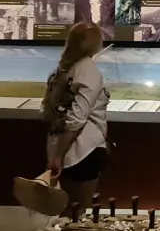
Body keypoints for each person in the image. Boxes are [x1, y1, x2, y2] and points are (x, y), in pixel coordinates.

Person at [41, 22, 110, 220]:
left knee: (66, 211)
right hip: (83, 150)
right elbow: (77, 120)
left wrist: (55, 153)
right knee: (77, 213)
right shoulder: (88, 71)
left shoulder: (58, 72)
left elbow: (47, 112)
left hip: (58, 147)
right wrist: (58, 156)